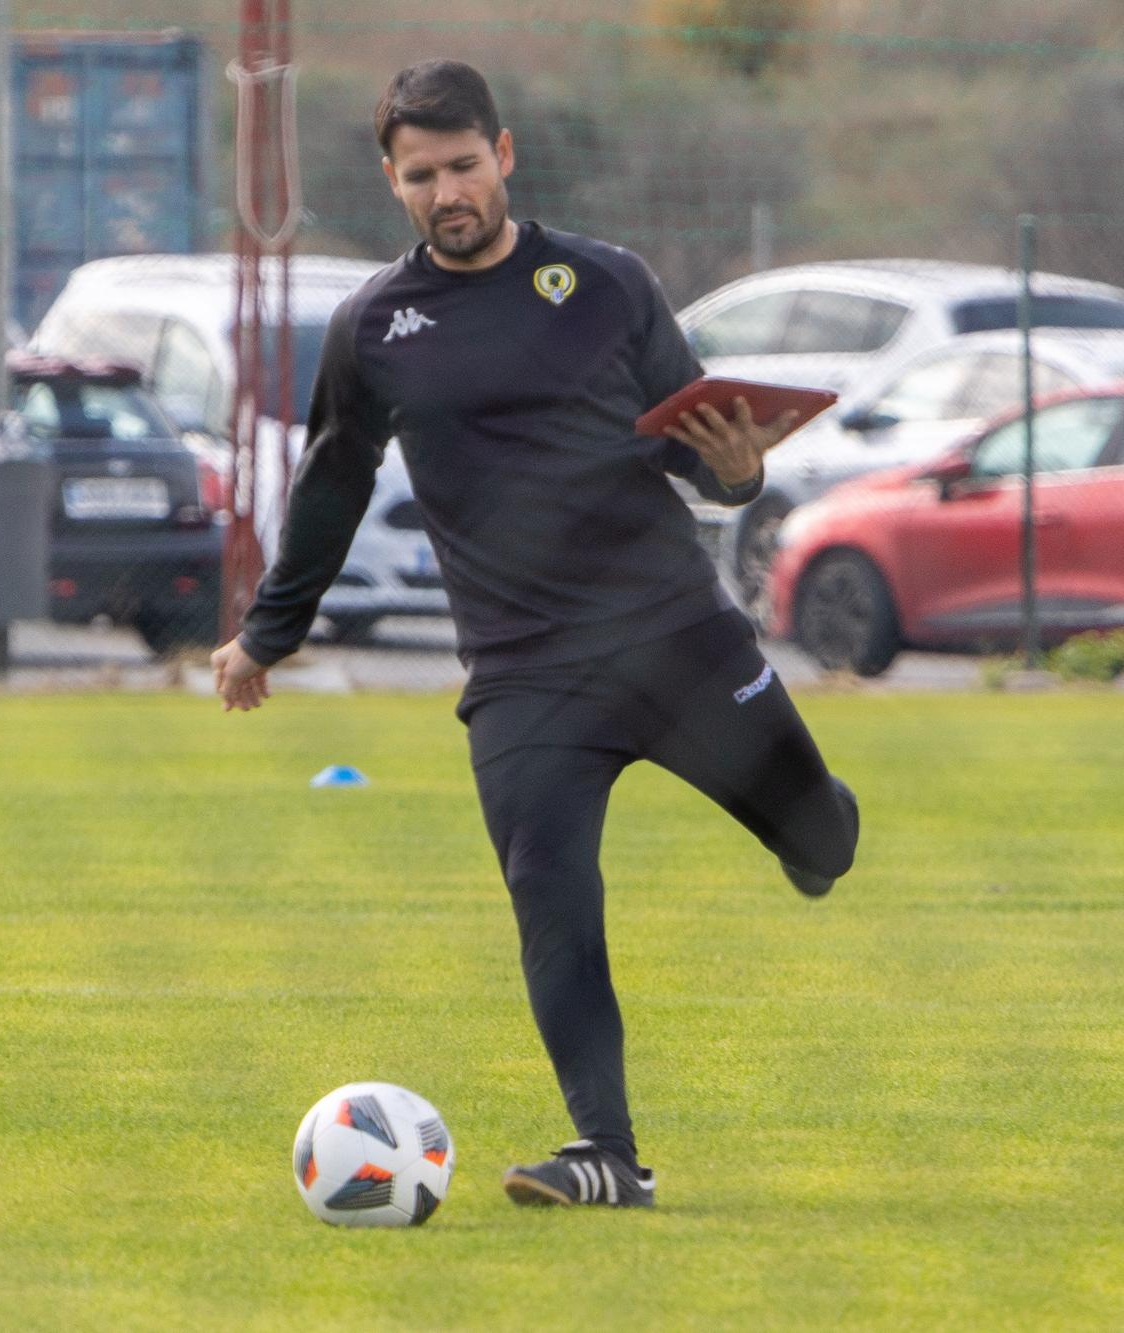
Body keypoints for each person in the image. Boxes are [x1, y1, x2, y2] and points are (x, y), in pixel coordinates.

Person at [211, 59, 859, 1209]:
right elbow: (331, 478)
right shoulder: (375, 325)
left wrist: (740, 470)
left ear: (502, 156)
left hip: (674, 639)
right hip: (524, 675)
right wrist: (267, 634)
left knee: (823, 844)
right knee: (547, 887)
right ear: (392, 182)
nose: (446, 190)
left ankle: (809, 829)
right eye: (421, 176)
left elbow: (696, 444)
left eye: (463, 165)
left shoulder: (606, 284)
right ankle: (606, 1152)